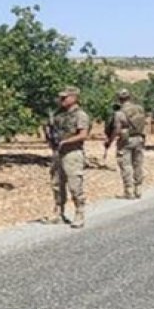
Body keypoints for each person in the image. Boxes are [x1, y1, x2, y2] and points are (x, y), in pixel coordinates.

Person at [47, 86, 91, 228]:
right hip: (58, 153)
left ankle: (79, 212)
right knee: (57, 184)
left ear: (74, 98)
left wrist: (66, 141)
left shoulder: (80, 115)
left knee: (74, 184)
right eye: (61, 97)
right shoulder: (58, 114)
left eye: (65, 97)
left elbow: (83, 134)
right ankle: (59, 211)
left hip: (72, 153)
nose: (62, 100)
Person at [105, 88, 147, 199]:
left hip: (126, 141)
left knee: (126, 165)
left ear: (119, 99)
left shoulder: (119, 113)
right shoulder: (139, 109)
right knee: (138, 164)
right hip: (139, 138)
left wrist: (109, 141)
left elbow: (117, 130)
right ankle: (138, 188)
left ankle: (129, 190)